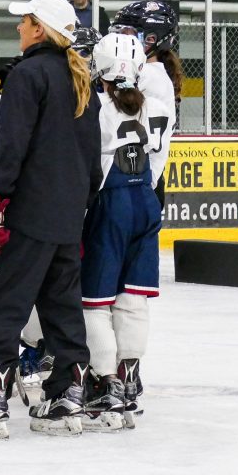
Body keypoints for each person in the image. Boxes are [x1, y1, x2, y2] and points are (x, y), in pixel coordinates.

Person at [0, 0, 101, 439]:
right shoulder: (80, 80)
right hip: (66, 217)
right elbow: (93, 164)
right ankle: (67, 395)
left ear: (40, 28)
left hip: (27, 214)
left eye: (24, 22)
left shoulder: (27, 75)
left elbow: (11, 147)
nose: (18, 28)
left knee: (5, 304)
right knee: (62, 309)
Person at [80, 32, 174, 432]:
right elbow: (158, 165)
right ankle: (129, 375)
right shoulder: (158, 107)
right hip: (145, 204)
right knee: (133, 299)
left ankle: (104, 382)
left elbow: (88, 169)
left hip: (109, 206)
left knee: (95, 301)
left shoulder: (94, 109)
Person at [109, 0, 182, 207]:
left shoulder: (147, 75)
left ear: (151, 39)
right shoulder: (153, 73)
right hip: (141, 180)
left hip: (138, 181)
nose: (120, 39)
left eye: (127, 33)